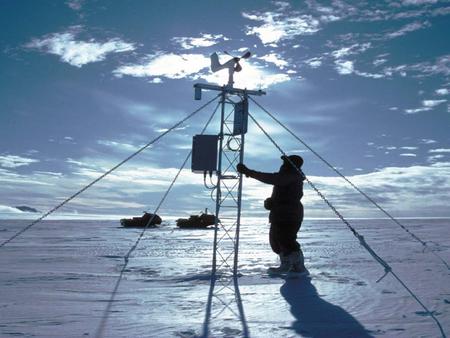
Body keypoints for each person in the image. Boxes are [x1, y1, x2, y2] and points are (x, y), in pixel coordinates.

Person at [237, 155, 307, 274]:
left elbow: (272, 178)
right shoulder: (288, 176)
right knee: (277, 241)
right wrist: (272, 202)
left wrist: (249, 172)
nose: (282, 164)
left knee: (286, 240)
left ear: (290, 164)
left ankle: (295, 266)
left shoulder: (291, 175)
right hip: (281, 214)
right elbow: (282, 190)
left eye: (285, 162)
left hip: (289, 215)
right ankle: (290, 265)